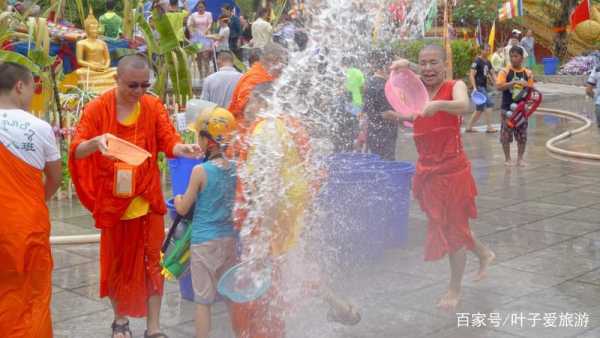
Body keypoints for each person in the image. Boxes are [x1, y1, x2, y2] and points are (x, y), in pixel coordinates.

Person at [69, 55, 202, 338]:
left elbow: (168, 139)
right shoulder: (98, 108)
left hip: (146, 201)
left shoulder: (152, 105)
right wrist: (95, 142)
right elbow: (77, 149)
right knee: (115, 265)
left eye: (145, 85)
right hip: (113, 204)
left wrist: (182, 149)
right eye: (132, 85)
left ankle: (153, 328)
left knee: (154, 264)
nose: (139, 92)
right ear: (117, 79)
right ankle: (120, 322)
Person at [391, 45, 495, 310]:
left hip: (453, 172)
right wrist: (400, 112)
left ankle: (454, 288)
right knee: (450, 225)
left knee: (452, 232)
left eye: (433, 62)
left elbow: (465, 106)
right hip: (427, 172)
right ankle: (484, 253)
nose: (428, 68)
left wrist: (437, 105)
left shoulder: (454, 85)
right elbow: (412, 101)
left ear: (444, 64)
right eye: (422, 63)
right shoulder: (417, 90)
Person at [0, 62, 61, 337]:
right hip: (27, 223)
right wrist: (35, 201)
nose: (32, 96)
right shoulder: (39, 127)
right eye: (32, 89)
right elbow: (55, 177)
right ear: (19, 86)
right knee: (33, 295)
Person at [174, 108, 237, 338]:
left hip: (203, 243)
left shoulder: (200, 171)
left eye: (199, 136)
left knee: (203, 300)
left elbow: (182, 208)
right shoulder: (235, 168)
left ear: (206, 140)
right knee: (230, 293)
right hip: (228, 239)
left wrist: (179, 197)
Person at [228, 42, 288, 121]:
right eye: (283, 63)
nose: (284, 68)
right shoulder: (254, 78)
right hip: (246, 129)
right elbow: (247, 111)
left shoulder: (266, 76)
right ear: (274, 60)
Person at [496, 46, 534, 167]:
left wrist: (526, 87)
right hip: (507, 109)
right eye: (511, 56)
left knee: (522, 135)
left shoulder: (527, 73)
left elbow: (531, 91)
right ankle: (507, 159)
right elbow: (498, 86)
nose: (513, 59)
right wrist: (512, 83)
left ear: (522, 58)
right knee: (505, 135)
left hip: (522, 110)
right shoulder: (505, 71)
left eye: (516, 56)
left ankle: (520, 159)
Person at [364, 49, 400, 160]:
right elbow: (387, 113)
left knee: (377, 163)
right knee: (386, 164)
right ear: (387, 66)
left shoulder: (370, 82)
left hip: (374, 132)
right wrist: (410, 117)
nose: (396, 71)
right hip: (384, 134)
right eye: (394, 67)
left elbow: (367, 110)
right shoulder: (382, 86)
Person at [465, 44, 498, 133]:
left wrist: (497, 82)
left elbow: (492, 73)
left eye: (489, 50)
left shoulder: (488, 62)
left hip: (483, 86)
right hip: (479, 87)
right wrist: (474, 88)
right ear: (481, 50)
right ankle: (489, 127)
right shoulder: (477, 61)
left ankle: (469, 127)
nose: (487, 52)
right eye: (486, 50)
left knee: (479, 109)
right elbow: (471, 75)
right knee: (489, 104)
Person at [187, 1, 213, 78]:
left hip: (206, 37)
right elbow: (189, 24)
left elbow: (210, 24)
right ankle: (201, 74)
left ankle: (207, 73)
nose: (200, 8)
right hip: (197, 39)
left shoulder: (208, 14)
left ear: (204, 7)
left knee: (206, 56)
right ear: (197, 7)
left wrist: (206, 31)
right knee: (199, 56)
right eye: (199, 7)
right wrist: (192, 31)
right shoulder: (193, 15)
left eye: (202, 7)